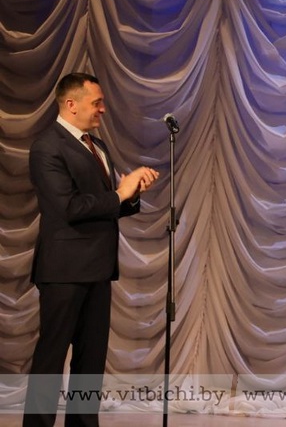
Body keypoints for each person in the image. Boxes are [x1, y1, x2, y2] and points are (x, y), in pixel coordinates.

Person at [23, 73, 159, 427]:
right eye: (96, 103)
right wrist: (119, 193)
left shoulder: (97, 145)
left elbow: (105, 206)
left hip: (98, 268)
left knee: (91, 361)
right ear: (71, 104)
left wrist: (131, 195)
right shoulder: (47, 146)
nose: (103, 109)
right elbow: (68, 208)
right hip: (64, 270)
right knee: (51, 359)